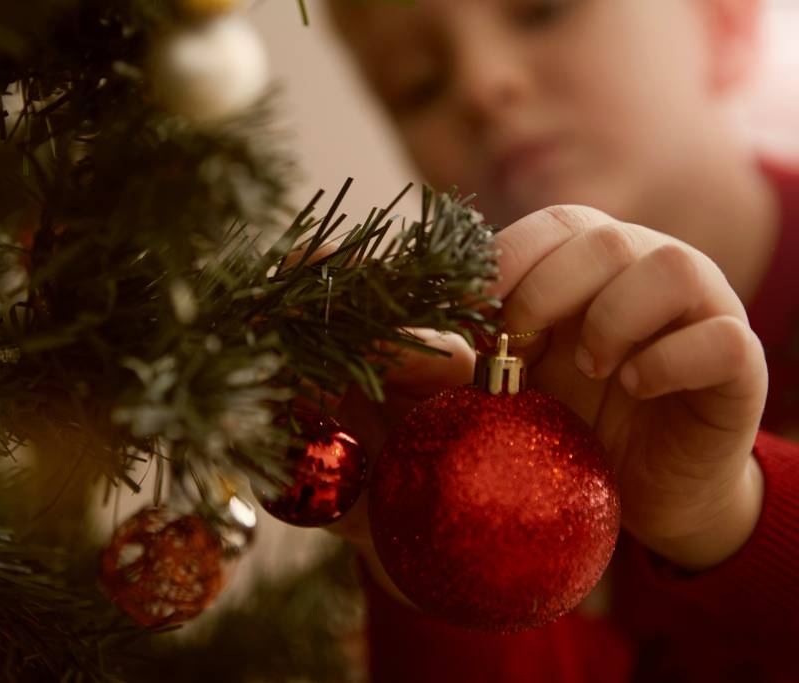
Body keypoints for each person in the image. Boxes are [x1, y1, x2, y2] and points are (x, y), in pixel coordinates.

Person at [322, 1, 799, 681]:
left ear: (727, 20)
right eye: (417, 84)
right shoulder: (447, 412)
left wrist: (727, 514)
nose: (481, 85)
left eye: (543, 11)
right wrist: (430, 563)